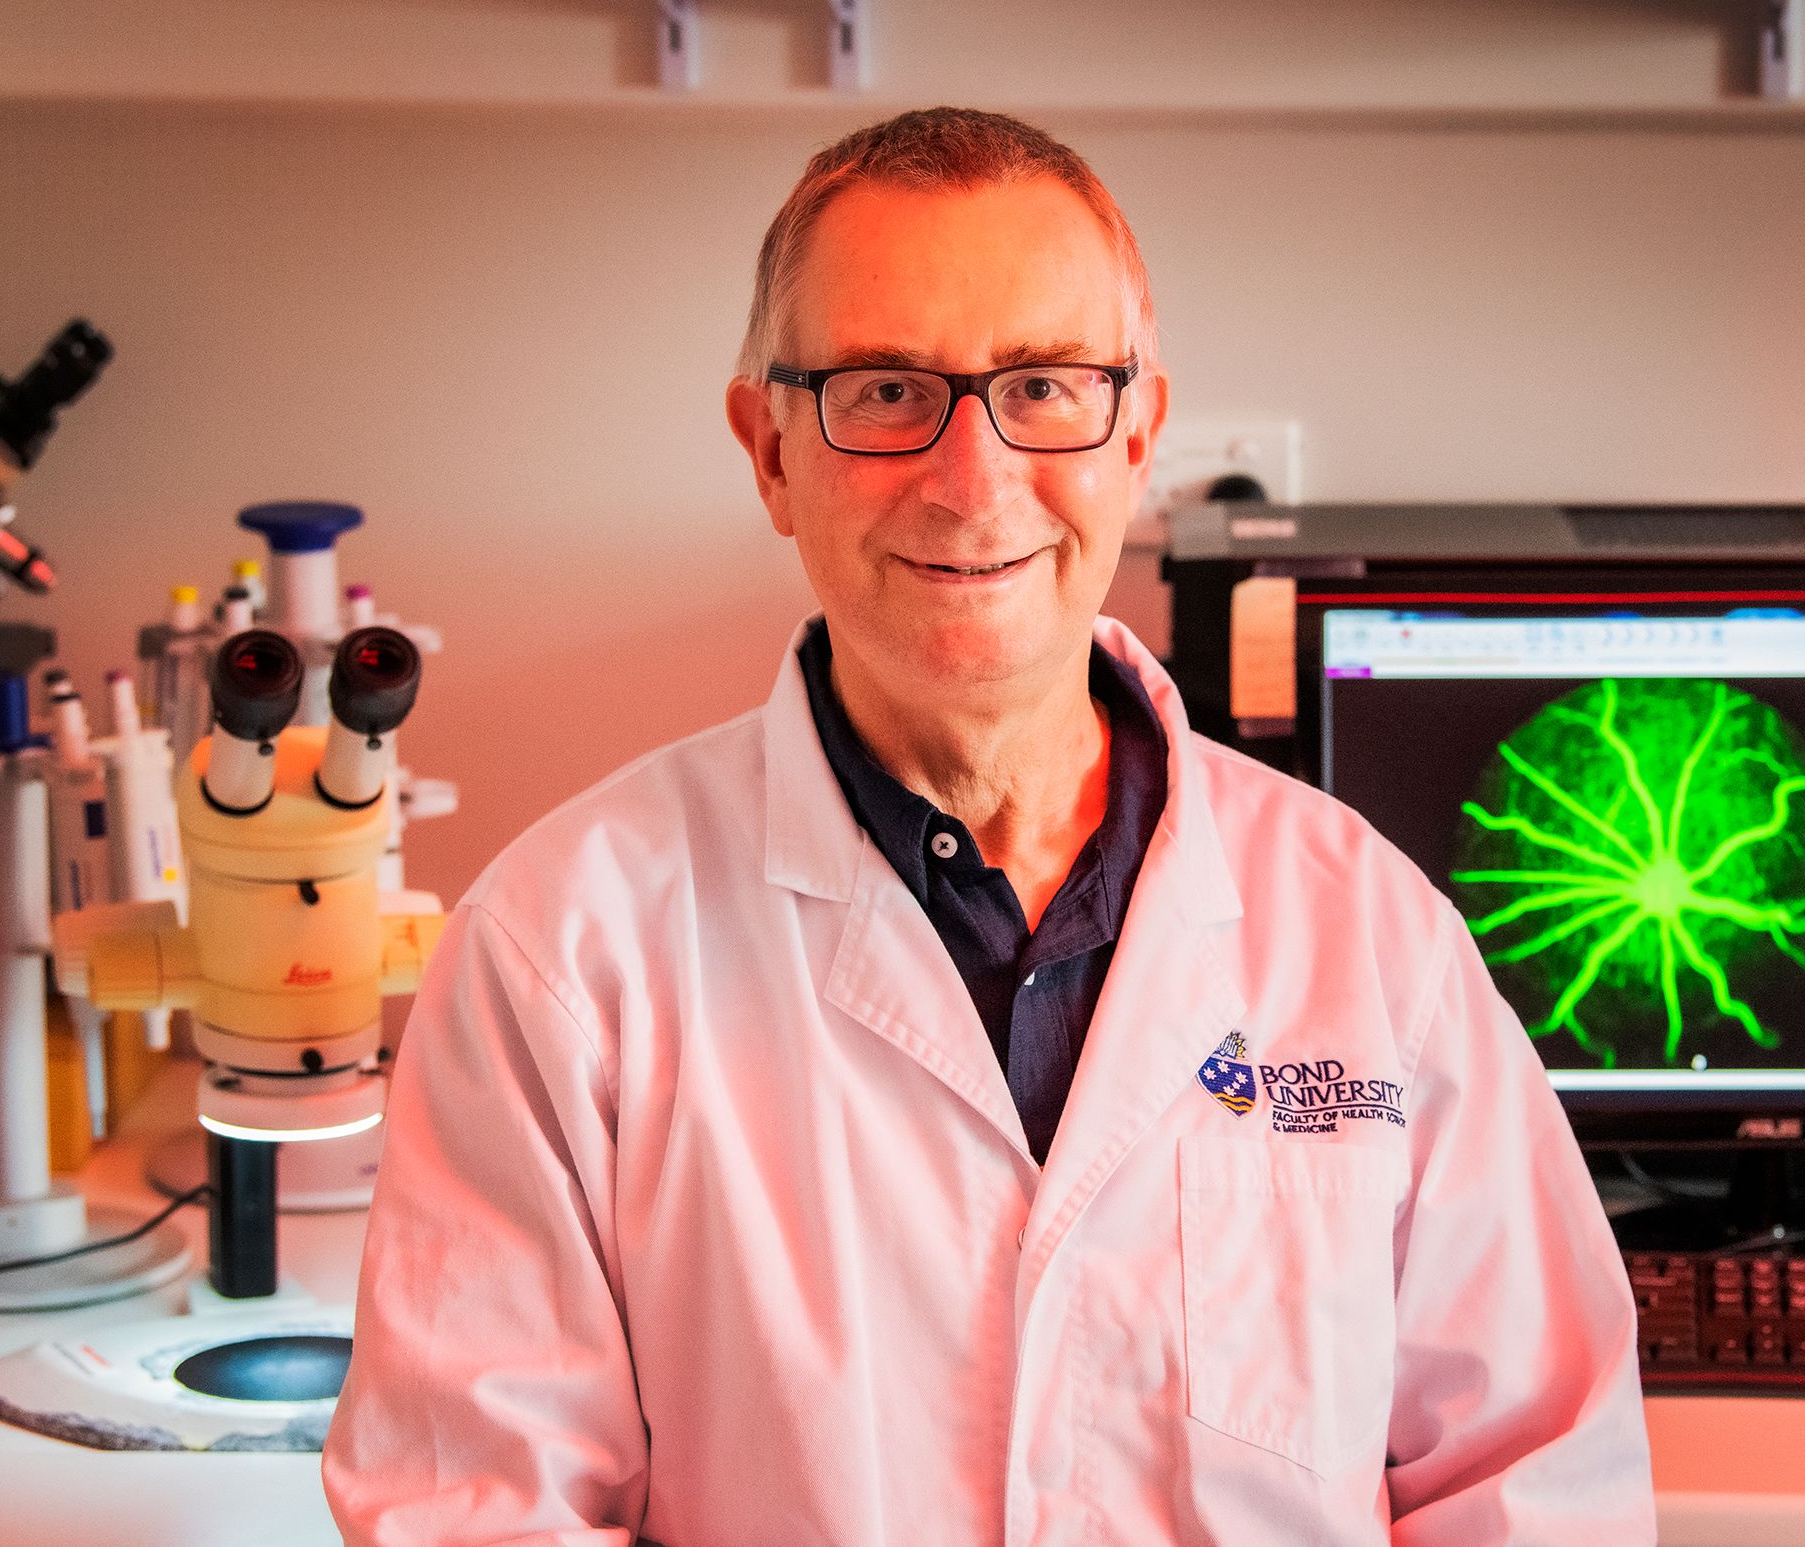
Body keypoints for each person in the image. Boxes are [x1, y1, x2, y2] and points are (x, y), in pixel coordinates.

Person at [322, 107, 1653, 1546]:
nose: (972, 477)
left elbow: (1535, 1486)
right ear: (770, 449)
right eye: (887, 391)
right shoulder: (561, 958)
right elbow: (471, 1511)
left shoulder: (1371, 942)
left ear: (1136, 433)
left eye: (1045, 386)